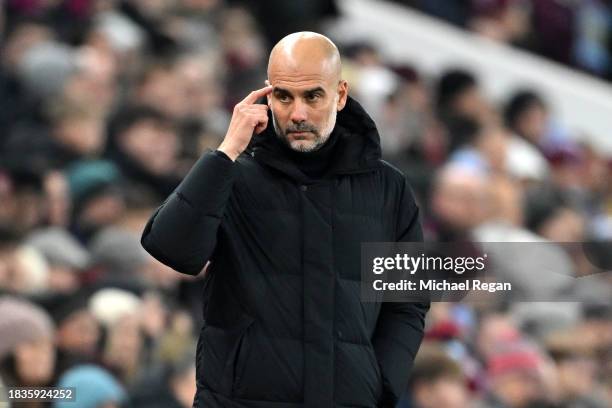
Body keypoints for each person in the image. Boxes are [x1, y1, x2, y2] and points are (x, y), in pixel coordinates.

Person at [141, 31, 429, 408]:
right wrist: (226, 151)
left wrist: (378, 383)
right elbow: (172, 249)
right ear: (266, 95)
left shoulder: (389, 188)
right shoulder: (233, 173)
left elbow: (407, 300)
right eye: (284, 96)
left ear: (340, 95)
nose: (297, 113)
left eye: (313, 95)